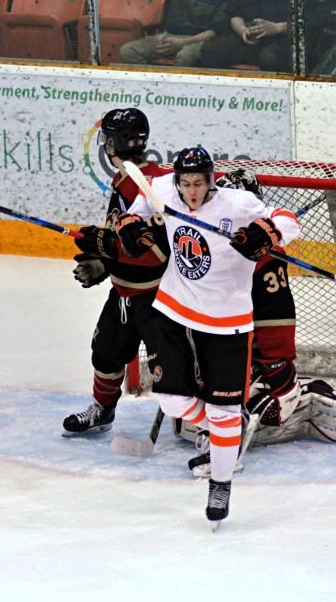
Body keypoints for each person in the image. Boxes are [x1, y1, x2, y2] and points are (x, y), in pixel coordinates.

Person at [124, 145, 300, 525]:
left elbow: (289, 221)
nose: (191, 190)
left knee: (220, 413)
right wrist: (131, 224)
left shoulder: (238, 203)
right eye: (185, 182)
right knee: (172, 401)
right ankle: (226, 430)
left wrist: (266, 232)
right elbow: (142, 196)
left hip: (227, 322)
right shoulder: (165, 189)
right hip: (173, 310)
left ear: (211, 181)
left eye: (198, 183)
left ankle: (220, 480)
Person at [176, 168, 336, 477]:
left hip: (243, 349)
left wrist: (275, 367)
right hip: (211, 340)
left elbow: (277, 318)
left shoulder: (266, 255)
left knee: (234, 396)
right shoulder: (198, 241)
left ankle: (220, 445)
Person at [61, 108, 170, 434]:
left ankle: (198, 424)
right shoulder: (127, 179)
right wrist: (104, 260)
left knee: (169, 365)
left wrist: (104, 249)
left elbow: (151, 250)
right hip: (123, 291)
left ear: (111, 144)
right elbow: (124, 239)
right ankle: (102, 409)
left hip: (155, 296)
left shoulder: (146, 183)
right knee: (106, 353)